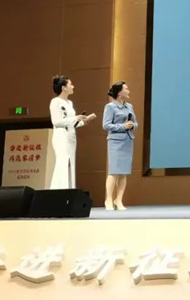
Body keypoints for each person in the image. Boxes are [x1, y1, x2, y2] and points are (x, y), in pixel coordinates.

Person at [49, 76, 95, 189]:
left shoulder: (69, 103)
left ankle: (69, 190)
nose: (73, 86)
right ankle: (58, 191)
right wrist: (75, 118)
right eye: (70, 84)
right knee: (63, 163)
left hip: (71, 137)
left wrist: (83, 121)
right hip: (61, 137)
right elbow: (56, 122)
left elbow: (72, 123)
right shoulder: (55, 102)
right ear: (64, 88)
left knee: (71, 164)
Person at [102, 81, 137, 211]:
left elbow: (135, 122)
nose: (128, 91)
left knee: (123, 172)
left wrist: (132, 125)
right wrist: (123, 126)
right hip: (115, 142)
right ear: (119, 92)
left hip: (128, 140)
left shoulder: (129, 106)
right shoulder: (110, 107)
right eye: (126, 89)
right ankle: (108, 199)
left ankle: (119, 200)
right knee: (114, 171)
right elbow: (106, 125)